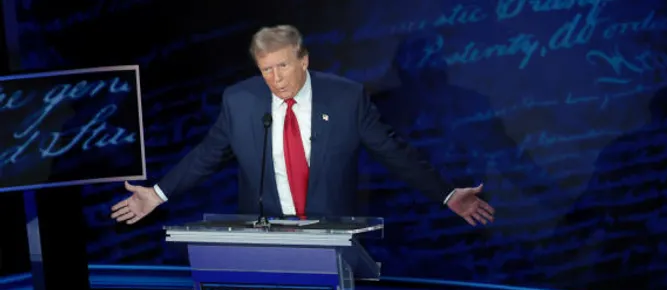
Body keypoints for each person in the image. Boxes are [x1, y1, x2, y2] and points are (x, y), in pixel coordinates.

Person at [110, 25, 494, 226]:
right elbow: (207, 154)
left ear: (304, 60)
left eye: (282, 66)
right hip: (263, 236)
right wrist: (157, 194)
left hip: (331, 234)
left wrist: (447, 195)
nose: (275, 78)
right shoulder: (241, 101)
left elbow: (394, 152)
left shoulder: (346, 98)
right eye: (266, 69)